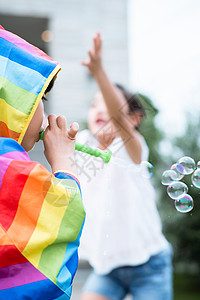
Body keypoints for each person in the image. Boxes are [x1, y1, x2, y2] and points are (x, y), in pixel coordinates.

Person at [76, 32, 173, 300]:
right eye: (94, 104)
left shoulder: (133, 148)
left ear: (134, 118)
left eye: (108, 103)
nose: (99, 109)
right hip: (108, 266)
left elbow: (118, 122)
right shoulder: (83, 143)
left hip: (149, 264)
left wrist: (99, 72)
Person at [0, 26, 85, 299]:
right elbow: (58, 224)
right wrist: (63, 162)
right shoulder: (6, 163)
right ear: (12, 102)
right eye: (40, 98)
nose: (45, 112)